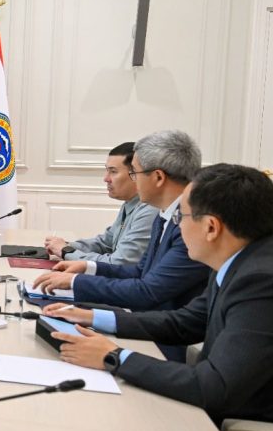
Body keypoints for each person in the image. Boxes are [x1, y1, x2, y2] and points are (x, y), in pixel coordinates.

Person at [45, 164, 273, 425]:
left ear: (211, 227)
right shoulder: (243, 259)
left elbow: (214, 387)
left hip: (246, 428)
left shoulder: (263, 282)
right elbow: (185, 322)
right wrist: (94, 317)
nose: (177, 226)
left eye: (181, 216)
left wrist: (114, 356)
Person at [34, 130, 212, 361]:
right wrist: (87, 268)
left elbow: (148, 291)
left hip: (159, 340)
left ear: (158, 177)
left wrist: (78, 282)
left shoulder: (189, 224)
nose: (133, 180)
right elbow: (139, 271)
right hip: (140, 322)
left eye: (134, 173)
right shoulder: (165, 215)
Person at [44, 142, 155, 265]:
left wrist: (66, 251)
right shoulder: (130, 204)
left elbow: (119, 263)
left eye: (113, 171)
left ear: (135, 174)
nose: (106, 178)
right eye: (107, 171)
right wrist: (67, 246)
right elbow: (106, 243)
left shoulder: (149, 211)